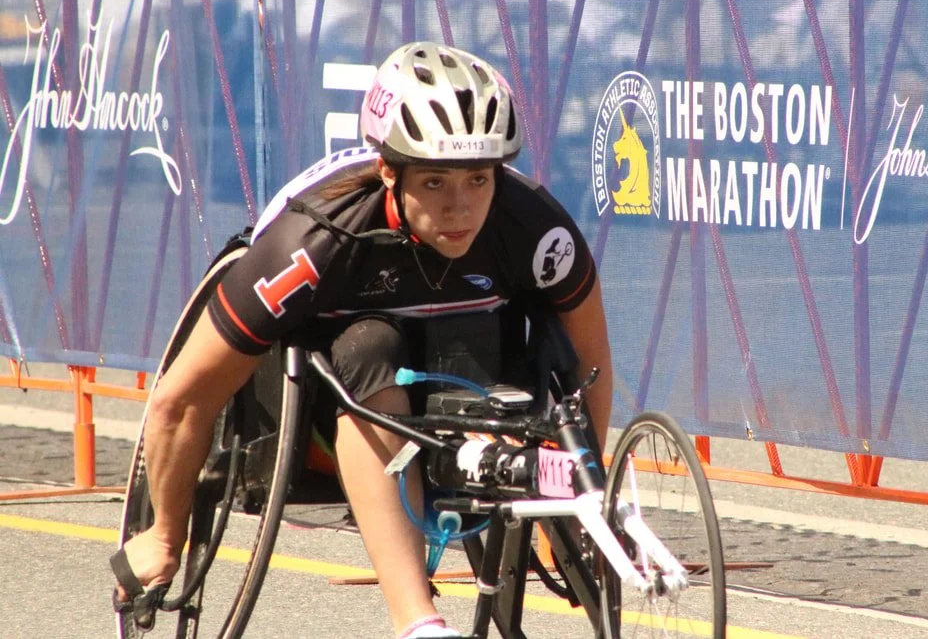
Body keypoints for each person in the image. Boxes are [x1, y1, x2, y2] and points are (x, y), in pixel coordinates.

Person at [111, 41, 613, 638]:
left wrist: (575, 496)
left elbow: (589, 362)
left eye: (479, 180)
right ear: (388, 172)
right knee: (369, 345)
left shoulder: (534, 227)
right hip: (336, 400)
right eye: (434, 182)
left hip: (469, 371)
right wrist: (166, 535)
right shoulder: (312, 242)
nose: (460, 208)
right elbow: (182, 399)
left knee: (511, 356)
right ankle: (418, 622)